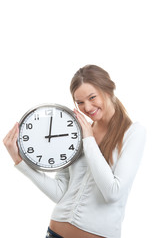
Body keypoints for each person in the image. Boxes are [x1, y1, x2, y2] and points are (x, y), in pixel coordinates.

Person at [3, 65, 146, 238]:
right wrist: (20, 162)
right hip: (54, 232)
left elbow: (113, 193)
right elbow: (61, 193)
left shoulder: (133, 133)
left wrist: (89, 140)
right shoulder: (76, 133)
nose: (87, 107)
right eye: (80, 102)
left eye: (92, 97)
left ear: (109, 90)